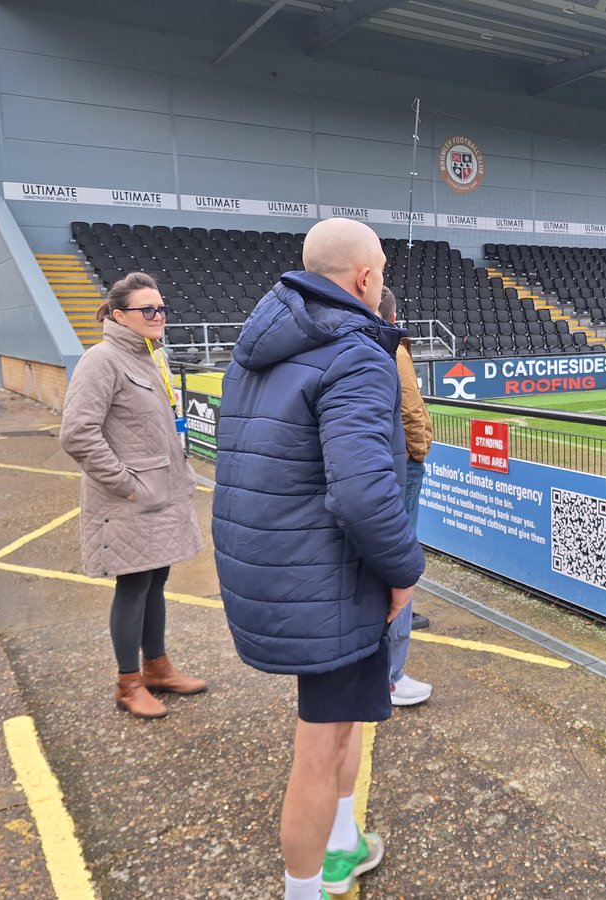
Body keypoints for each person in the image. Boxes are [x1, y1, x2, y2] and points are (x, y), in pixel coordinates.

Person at [212, 218, 424, 900]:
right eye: (381, 269)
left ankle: (343, 843)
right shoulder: (356, 351)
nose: (382, 280)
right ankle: (304, 887)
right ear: (364, 277)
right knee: (319, 747)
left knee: (344, 721)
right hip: (324, 578)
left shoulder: (261, 343)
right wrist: (403, 572)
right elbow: (363, 494)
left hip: (274, 567)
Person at [60, 272, 207, 720]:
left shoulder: (151, 356)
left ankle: (157, 667)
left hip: (161, 495)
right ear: (119, 316)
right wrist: (126, 483)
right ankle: (128, 683)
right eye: (147, 309)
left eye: (161, 308)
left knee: (156, 579)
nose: (158, 315)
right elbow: (77, 434)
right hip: (129, 499)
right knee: (134, 585)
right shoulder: (101, 360)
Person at [377, 286, 434, 707]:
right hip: (401, 466)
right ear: (393, 316)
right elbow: (411, 411)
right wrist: (420, 451)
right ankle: (391, 677)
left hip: (382, 464)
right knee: (400, 562)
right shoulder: (392, 348)